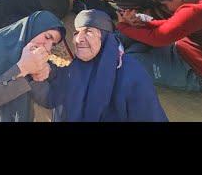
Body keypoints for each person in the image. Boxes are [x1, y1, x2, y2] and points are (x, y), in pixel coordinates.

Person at [34, 10, 168, 122]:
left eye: (88, 31)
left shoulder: (132, 75)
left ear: (104, 38)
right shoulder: (79, 67)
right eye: (76, 32)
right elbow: (57, 91)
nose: (78, 39)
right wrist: (44, 70)